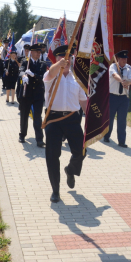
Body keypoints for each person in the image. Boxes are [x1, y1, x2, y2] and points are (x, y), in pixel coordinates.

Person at [42, 45, 88, 203]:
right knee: (52, 156)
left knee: (81, 151)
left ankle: (70, 169)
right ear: (56, 59)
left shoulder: (77, 78)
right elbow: (51, 72)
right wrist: (58, 65)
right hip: (54, 119)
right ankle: (55, 190)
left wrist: (91, 117)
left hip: (72, 118)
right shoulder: (51, 75)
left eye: (69, 58)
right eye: (63, 58)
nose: (66, 61)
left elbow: (83, 100)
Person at [18, 44, 47, 145]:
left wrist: (33, 75)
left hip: (38, 94)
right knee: (24, 115)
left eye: (40, 52)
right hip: (27, 94)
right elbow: (20, 70)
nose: (39, 54)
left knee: (38, 117)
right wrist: (24, 76)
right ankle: (22, 135)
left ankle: (39, 139)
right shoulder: (26, 62)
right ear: (32, 52)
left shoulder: (42, 64)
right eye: (37, 52)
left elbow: (42, 77)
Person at [105, 50, 131, 147]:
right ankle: (106, 136)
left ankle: (121, 141)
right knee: (110, 118)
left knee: (122, 120)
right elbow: (114, 75)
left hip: (123, 98)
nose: (124, 60)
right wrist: (122, 81)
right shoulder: (113, 66)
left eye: (125, 58)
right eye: (122, 58)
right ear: (118, 59)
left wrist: (128, 82)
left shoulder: (130, 68)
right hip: (112, 97)